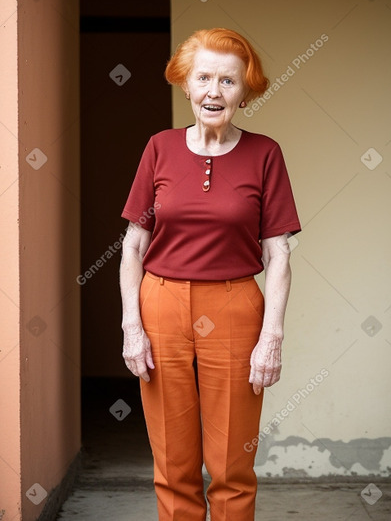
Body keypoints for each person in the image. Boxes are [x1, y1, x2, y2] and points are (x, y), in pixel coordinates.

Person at [119, 27, 301, 521]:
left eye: (228, 81)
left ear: (245, 90)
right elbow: (133, 244)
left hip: (235, 304)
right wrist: (131, 325)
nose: (214, 92)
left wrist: (272, 335)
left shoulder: (265, 154)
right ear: (186, 84)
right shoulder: (159, 147)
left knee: (231, 465)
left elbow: (278, 254)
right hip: (159, 303)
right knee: (173, 461)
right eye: (204, 78)